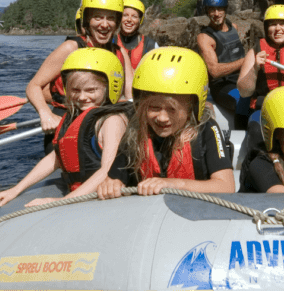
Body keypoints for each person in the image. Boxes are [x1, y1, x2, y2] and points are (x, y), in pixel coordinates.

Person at [0, 48, 130, 206]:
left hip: (105, 197)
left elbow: (107, 171)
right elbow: (54, 159)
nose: (82, 97)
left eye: (91, 90)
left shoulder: (112, 121)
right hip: (79, 195)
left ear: (110, 88)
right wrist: (16, 189)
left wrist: (63, 201)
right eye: (75, 90)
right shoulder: (72, 117)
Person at [98, 47, 235, 198]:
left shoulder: (207, 130)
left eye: (172, 109)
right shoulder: (135, 132)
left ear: (192, 107)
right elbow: (113, 179)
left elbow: (226, 186)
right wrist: (112, 185)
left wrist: (172, 184)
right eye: (153, 107)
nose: (162, 118)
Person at [25, 0, 132, 152]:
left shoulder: (120, 53)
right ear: (87, 20)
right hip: (67, 121)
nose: (104, 24)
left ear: (117, 22)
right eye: (97, 17)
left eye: (110, 18)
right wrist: (45, 114)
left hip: (101, 124)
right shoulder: (70, 48)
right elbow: (33, 86)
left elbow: (130, 96)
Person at [236, 4, 284, 113]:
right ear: (266, 28)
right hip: (264, 108)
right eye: (273, 24)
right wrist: (254, 69)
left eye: (283, 24)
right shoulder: (255, 51)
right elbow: (244, 92)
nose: (278, 29)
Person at [195, 0, 246, 115]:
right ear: (207, 11)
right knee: (243, 100)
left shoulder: (233, 27)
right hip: (223, 87)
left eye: (220, 9)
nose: (216, 13)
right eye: (212, 9)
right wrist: (245, 61)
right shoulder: (205, 38)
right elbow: (215, 71)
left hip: (243, 78)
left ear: (225, 9)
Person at [119, 0, 158, 70]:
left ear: (140, 21)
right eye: (125, 15)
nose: (129, 20)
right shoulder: (110, 41)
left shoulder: (151, 45)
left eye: (134, 16)